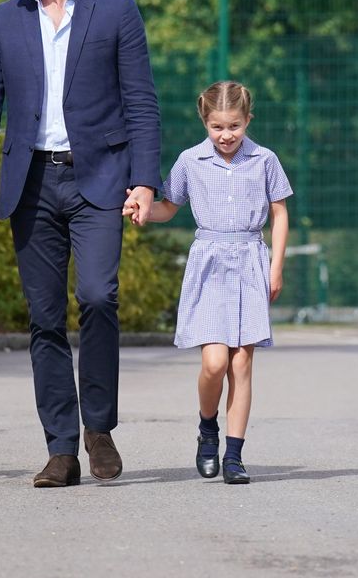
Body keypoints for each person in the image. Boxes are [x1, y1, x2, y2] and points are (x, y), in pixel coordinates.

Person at [0, 0, 162, 487]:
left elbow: (141, 102)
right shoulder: (3, 23)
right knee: (45, 319)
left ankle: (98, 428)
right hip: (31, 184)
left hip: (99, 179)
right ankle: (62, 448)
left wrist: (144, 181)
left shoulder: (116, 10)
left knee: (99, 297)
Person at [123, 81, 291, 484]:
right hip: (209, 263)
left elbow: (279, 213)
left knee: (242, 363)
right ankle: (207, 428)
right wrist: (140, 208)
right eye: (217, 127)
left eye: (234, 125)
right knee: (214, 363)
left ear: (248, 120)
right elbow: (168, 207)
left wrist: (276, 267)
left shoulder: (265, 159)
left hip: (251, 260)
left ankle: (234, 455)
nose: (226, 135)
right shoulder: (190, 161)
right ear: (205, 122)